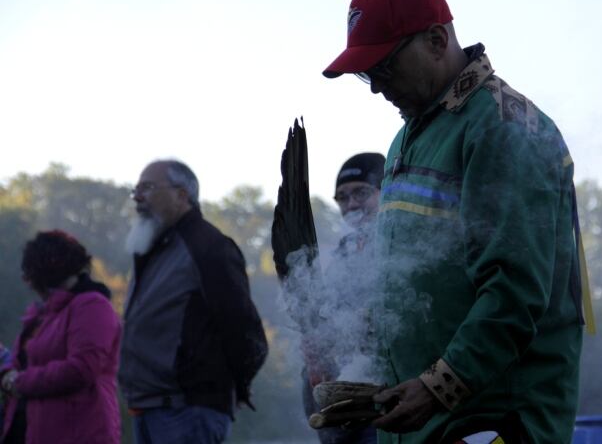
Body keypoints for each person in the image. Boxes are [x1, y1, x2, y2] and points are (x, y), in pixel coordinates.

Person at [322, 0, 585, 444]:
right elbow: (410, 276)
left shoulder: (504, 128)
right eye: (367, 75)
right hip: (423, 420)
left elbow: (514, 291)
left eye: (383, 68)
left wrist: (438, 386)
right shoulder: (409, 135)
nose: (376, 89)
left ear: (437, 40)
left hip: (490, 421)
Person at [119, 159, 268, 444]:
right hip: (150, 409)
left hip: (187, 413)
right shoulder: (154, 248)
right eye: (135, 189)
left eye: (148, 188)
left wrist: (232, 388)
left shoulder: (208, 246)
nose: (137, 197)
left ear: (182, 195)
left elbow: (244, 329)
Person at [0, 230, 121, 444]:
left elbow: (80, 369)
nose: (26, 281)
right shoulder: (46, 313)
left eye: (28, 272)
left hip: (79, 433)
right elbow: (25, 363)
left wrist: (21, 382)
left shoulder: (92, 307)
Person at [301, 152, 385, 444]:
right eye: (342, 197)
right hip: (342, 402)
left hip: (385, 400)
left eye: (361, 192)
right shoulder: (344, 251)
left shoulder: (400, 244)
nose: (351, 204)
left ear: (386, 192)